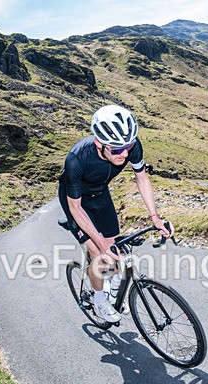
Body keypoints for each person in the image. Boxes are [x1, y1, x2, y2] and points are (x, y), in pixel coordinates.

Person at [58, 104, 172, 323]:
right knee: (101, 255)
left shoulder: (130, 146)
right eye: (117, 150)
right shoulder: (77, 159)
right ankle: (100, 300)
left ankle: (109, 286)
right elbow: (75, 208)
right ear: (99, 143)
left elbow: (141, 179)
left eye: (128, 147)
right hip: (76, 202)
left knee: (115, 251)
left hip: (100, 194)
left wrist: (155, 217)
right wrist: (100, 242)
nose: (125, 154)